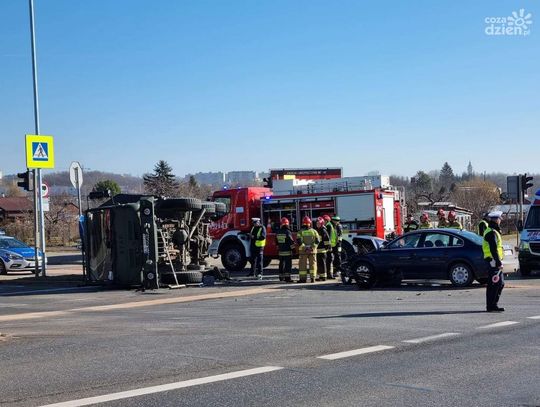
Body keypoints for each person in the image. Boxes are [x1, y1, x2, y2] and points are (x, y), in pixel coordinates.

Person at [483, 211, 505, 312]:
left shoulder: (492, 231)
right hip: (493, 261)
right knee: (496, 284)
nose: (500, 221)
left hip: (493, 260)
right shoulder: (491, 232)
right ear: (496, 220)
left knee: (497, 284)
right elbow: (493, 249)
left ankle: (492, 305)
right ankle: (491, 306)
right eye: (500, 219)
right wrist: (498, 262)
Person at [297, 216, 320, 283]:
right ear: (310, 223)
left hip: (303, 251)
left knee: (302, 265)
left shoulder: (300, 232)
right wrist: (312, 248)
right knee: (313, 264)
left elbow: (299, 241)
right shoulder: (314, 231)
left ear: (303, 223)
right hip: (312, 251)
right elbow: (317, 241)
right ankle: (313, 278)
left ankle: (303, 279)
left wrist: (305, 248)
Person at [275, 217, 295, 282]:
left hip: (281, 252)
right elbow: (290, 242)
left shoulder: (278, 232)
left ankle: (281, 277)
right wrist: (293, 249)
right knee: (288, 265)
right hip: (287, 252)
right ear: (287, 224)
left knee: (281, 264)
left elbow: (276, 242)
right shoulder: (287, 232)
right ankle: (287, 278)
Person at [315, 217, 331, 281]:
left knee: (323, 264)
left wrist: (327, 248)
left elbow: (327, 240)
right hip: (318, 250)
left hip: (322, 250)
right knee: (319, 264)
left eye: (318, 223)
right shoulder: (317, 230)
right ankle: (320, 276)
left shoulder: (323, 230)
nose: (317, 225)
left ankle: (324, 277)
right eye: (317, 223)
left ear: (321, 224)